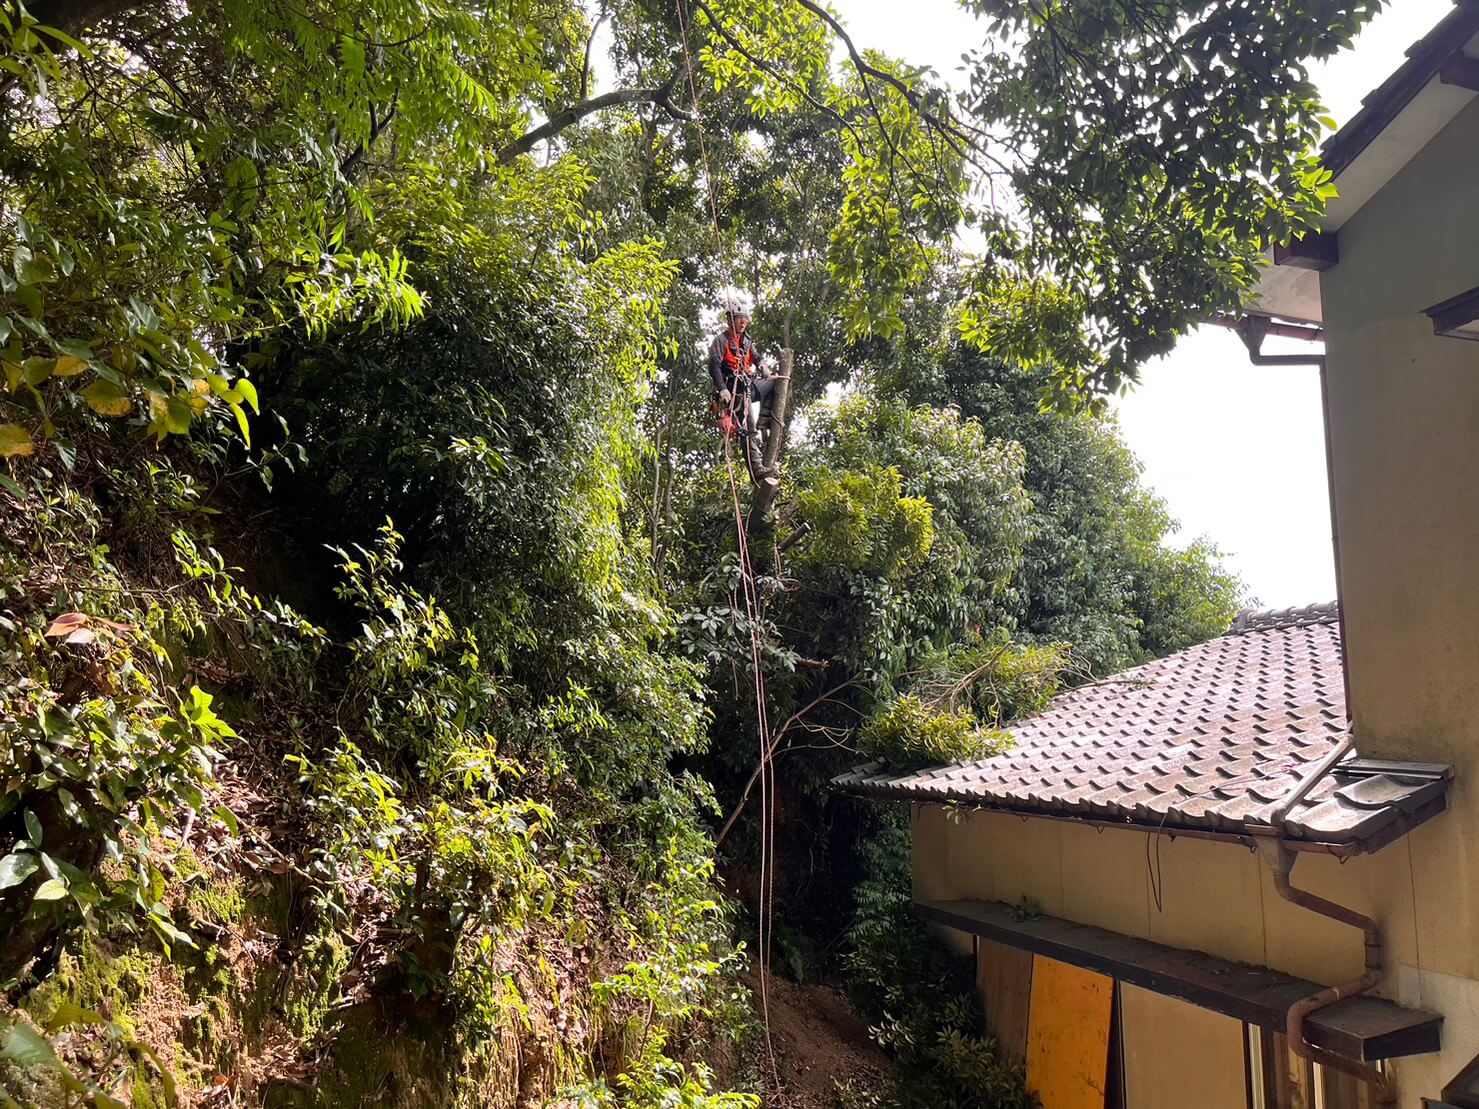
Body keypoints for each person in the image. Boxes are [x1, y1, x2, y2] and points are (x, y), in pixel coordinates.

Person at [707, 288, 774, 469]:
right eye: (739, 318)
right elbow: (714, 366)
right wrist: (722, 389)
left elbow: (757, 357)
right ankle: (756, 468)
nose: (743, 322)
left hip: (747, 386)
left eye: (745, 318)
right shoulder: (721, 341)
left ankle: (766, 421)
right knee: (747, 427)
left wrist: (763, 365)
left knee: (774, 383)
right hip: (733, 391)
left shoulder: (746, 342)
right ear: (730, 320)